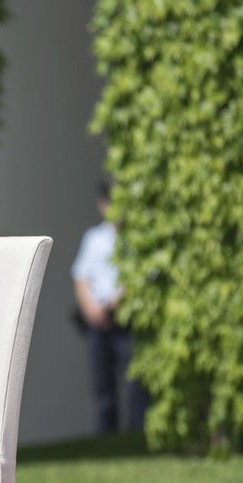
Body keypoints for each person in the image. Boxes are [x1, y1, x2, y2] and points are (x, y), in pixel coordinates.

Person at [72, 180, 149, 434]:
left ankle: (136, 434)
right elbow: (81, 277)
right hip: (98, 321)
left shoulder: (135, 238)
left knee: (135, 384)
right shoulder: (93, 238)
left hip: (124, 319)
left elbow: (136, 279)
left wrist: (111, 306)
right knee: (102, 385)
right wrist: (93, 310)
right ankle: (106, 438)